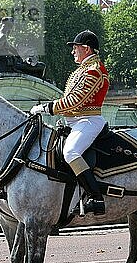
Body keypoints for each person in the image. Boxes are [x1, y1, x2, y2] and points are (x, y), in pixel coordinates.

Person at [29, 30, 108, 215]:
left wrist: (45, 108)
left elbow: (75, 101)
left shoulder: (94, 71)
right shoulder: (82, 70)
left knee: (71, 152)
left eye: (75, 47)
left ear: (86, 49)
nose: (73, 51)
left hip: (88, 121)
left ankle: (96, 198)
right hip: (74, 121)